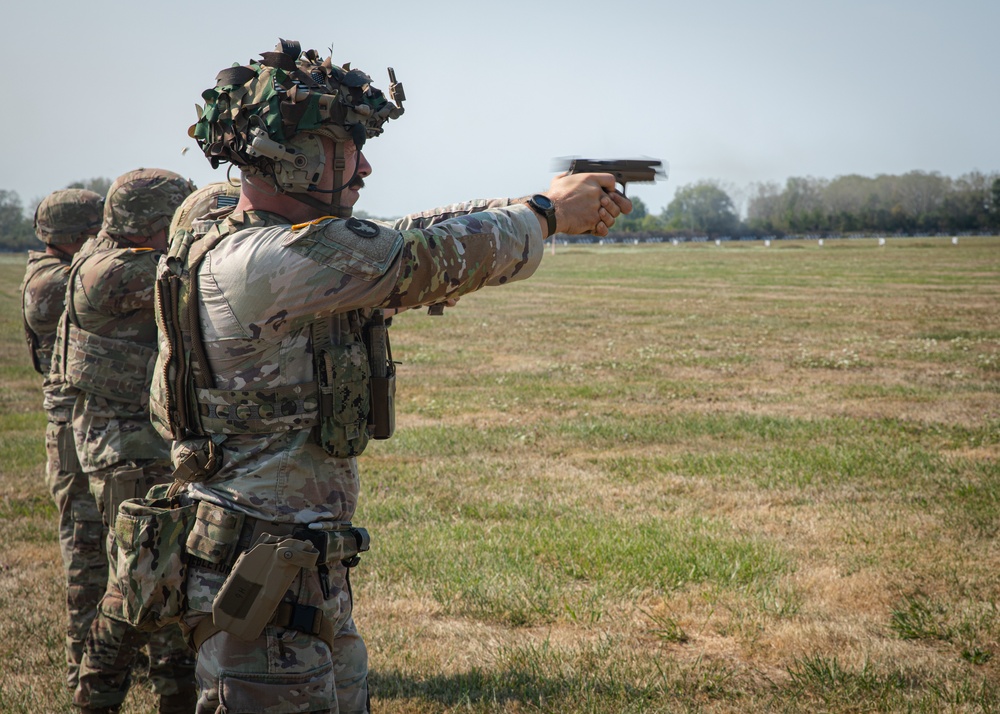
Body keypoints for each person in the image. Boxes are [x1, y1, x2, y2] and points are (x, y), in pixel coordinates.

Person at [148, 39, 629, 713]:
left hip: (295, 573)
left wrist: (534, 204)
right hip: (261, 591)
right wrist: (546, 215)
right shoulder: (269, 263)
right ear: (294, 154)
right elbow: (416, 257)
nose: (366, 165)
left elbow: (391, 233)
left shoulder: (239, 230)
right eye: (347, 148)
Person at [58, 168, 199, 714]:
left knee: (161, 586)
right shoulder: (116, 272)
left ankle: (177, 697)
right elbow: (195, 275)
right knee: (139, 590)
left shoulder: (102, 251)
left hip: (132, 448)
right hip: (127, 454)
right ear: (153, 223)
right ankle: (96, 699)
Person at [20, 189, 106, 695]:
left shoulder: (52, 270)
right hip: (75, 431)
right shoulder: (53, 283)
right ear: (78, 236)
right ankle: (85, 668)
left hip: (84, 423)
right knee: (87, 553)